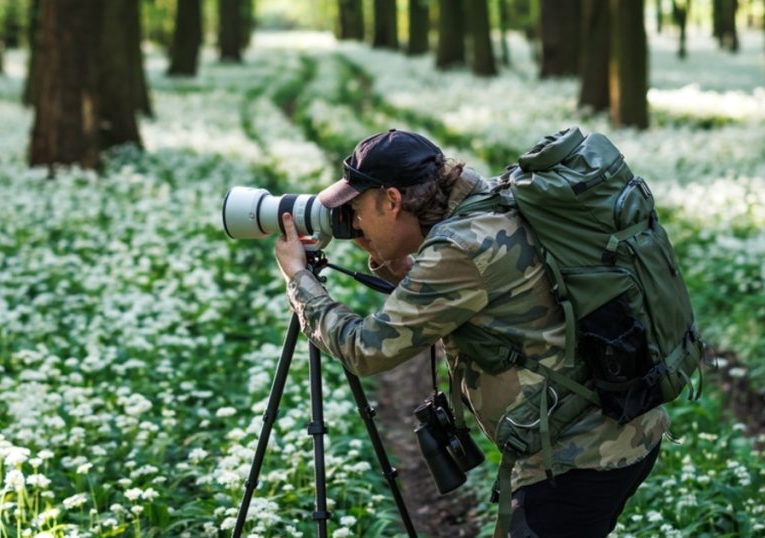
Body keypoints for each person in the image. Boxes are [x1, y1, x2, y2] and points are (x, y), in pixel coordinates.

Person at [274, 129, 667, 538]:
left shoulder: (459, 248)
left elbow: (366, 349)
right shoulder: (488, 200)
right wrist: (392, 260)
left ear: (392, 200)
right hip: (619, 424)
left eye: (357, 210)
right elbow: (474, 288)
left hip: (580, 457)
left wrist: (299, 279)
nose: (354, 224)